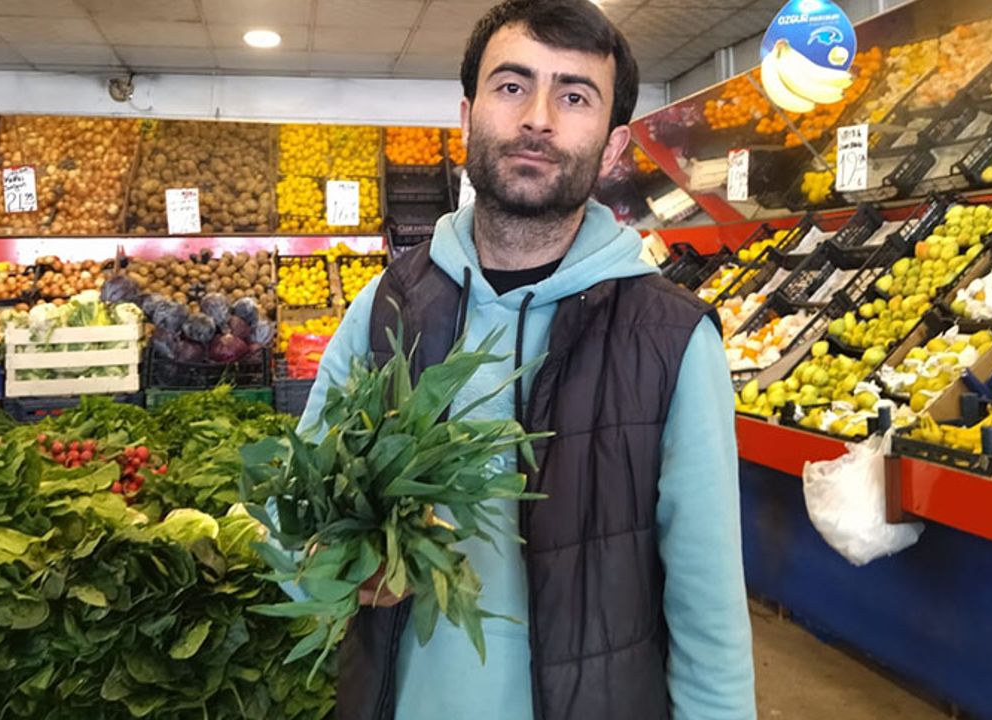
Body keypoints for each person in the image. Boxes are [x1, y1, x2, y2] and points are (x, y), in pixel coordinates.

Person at [296, 1, 755, 718]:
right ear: (467, 116)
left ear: (610, 146)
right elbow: (301, 512)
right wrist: (337, 559)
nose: (539, 117)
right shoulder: (387, 308)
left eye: (575, 96)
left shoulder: (671, 340)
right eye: (511, 86)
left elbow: (709, 610)